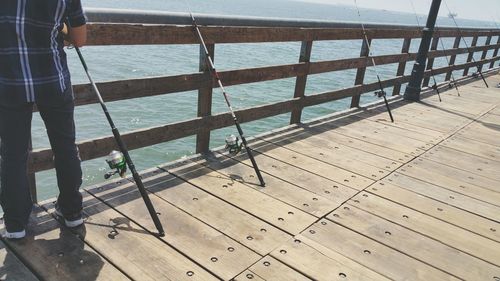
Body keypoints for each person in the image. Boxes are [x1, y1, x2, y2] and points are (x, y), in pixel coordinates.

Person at [0, 0, 87, 239]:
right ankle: (72, 213)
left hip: (9, 84)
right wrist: (59, 28)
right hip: (53, 80)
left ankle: (16, 224)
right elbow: (79, 39)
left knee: (13, 155)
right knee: (65, 147)